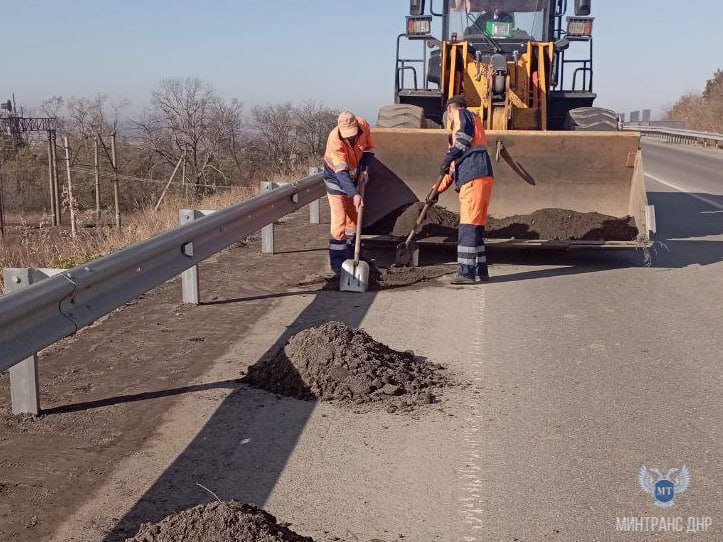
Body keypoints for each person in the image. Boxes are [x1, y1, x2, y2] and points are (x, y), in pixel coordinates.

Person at [429, 95, 494, 285]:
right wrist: (436, 190)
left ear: (450, 110)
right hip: (482, 176)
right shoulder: (473, 125)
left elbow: (462, 141)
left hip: (473, 177)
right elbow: (451, 171)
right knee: (476, 227)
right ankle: (481, 271)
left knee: (467, 225)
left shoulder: (461, 115)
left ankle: (465, 273)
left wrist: (448, 156)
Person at [322, 111, 375, 274]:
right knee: (339, 222)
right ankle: (338, 265)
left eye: (352, 134)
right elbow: (341, 172)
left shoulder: (364, 126)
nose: (350, 138)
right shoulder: (334, 139)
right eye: (347, 135)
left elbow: (368, 150)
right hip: (335, 178)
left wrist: (365, 169)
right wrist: (354, 194)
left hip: (354, 176)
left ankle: (352, 257)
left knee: (353, 222)